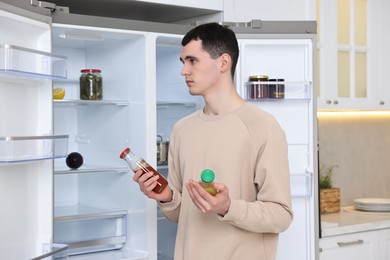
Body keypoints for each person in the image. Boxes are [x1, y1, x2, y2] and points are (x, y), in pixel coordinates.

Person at [133, 22, 293, 260]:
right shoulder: (182, 129)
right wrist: (166, 196)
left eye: (192, 60)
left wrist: (228, 207)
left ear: (223, 63)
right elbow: (183, 214)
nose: (184, 71)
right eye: (183, 62)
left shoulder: (262, 126)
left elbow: (281, 215)